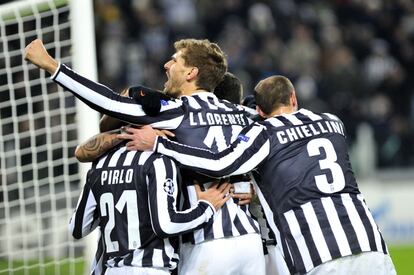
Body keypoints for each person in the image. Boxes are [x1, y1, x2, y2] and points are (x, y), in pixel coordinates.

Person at [25, 39, 265, 274]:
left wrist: (51, 65)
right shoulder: (243, 114)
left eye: (175, 61)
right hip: (250, 242)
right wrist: (254, 187)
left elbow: (108, 102)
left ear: (191, 72)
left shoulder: (177, 112)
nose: (166, 65)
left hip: (205, 242)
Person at [128, 75, 397, 275]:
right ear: (294, 98)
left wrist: (159, 144)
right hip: (369, 244)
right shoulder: (332, 122)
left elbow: (221, 163)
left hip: (316, 255)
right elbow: (305, 167)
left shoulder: (263, 132)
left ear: (258, 111)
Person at [70, 130, 232, 275]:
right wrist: (206, 208)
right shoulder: (160, 159)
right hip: (150, 268)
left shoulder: (100, 164)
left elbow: (77, 229)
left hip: (110, 269)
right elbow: (166, 225)